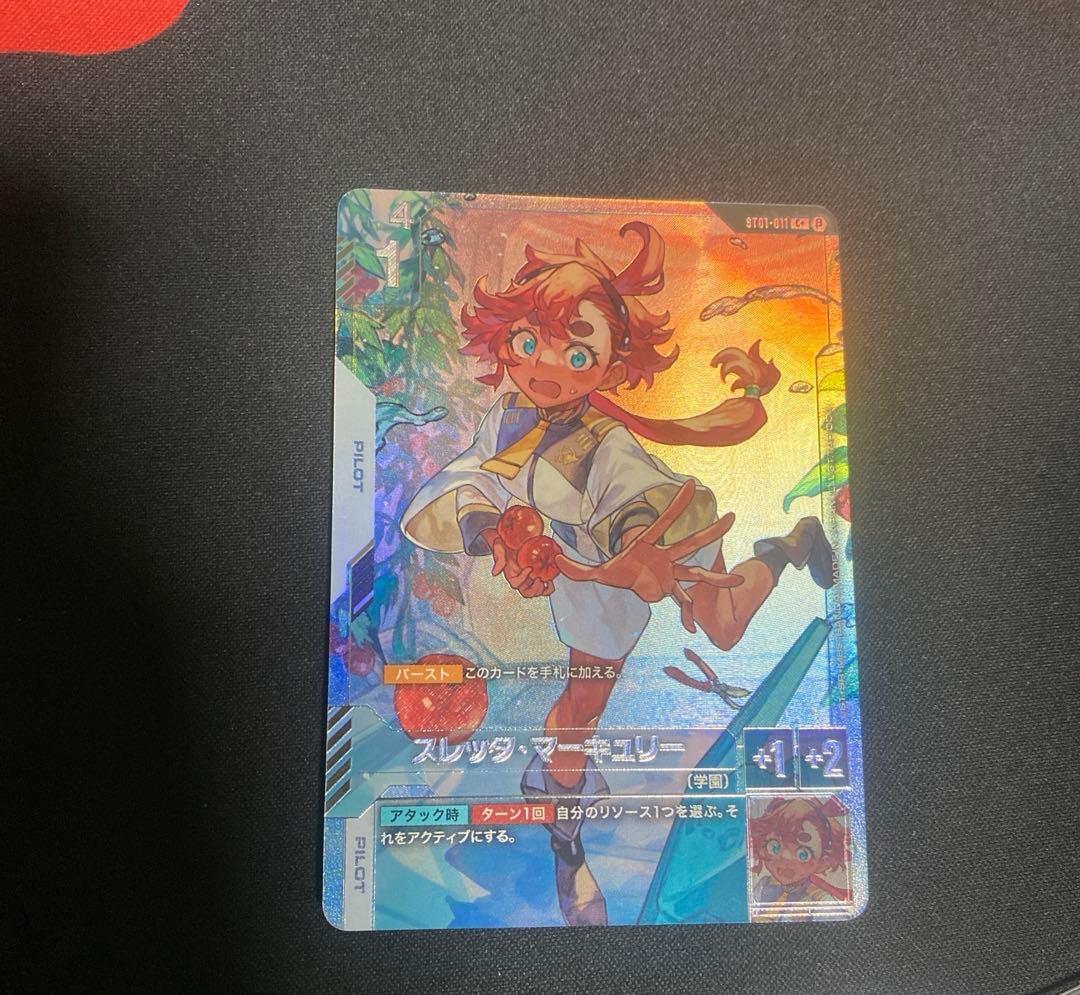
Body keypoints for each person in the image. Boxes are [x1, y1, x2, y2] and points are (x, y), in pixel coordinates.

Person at [401, 222, 835, 925]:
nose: (549, 368)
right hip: (594, 570)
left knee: (723, 630)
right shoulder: (510, 413)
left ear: (609, 365)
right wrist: (494, 533)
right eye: (532, 343)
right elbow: (472, 477)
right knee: (577, 711)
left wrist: (636, 552)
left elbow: (634, 496)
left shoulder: (607, 442)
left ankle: (789, 543)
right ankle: (567, 849)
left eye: (579, 353)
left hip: (665, 537)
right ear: (507, 336)